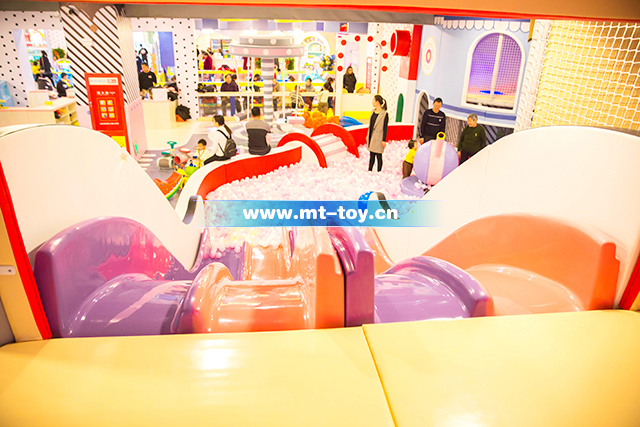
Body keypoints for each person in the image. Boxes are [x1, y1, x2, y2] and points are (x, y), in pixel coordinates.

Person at [366, 94, 388, 172]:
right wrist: (367, 135)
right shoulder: (372, 111)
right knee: (371, 154)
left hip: (379, 136)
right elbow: (370, 125)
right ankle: (370, 170)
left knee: (379, 155)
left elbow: (385, 128)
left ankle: (379, 171)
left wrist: (384, 140)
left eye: (373, 100)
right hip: (372, 136)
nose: (372, 102)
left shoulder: (384, 114)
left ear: (377, 102)